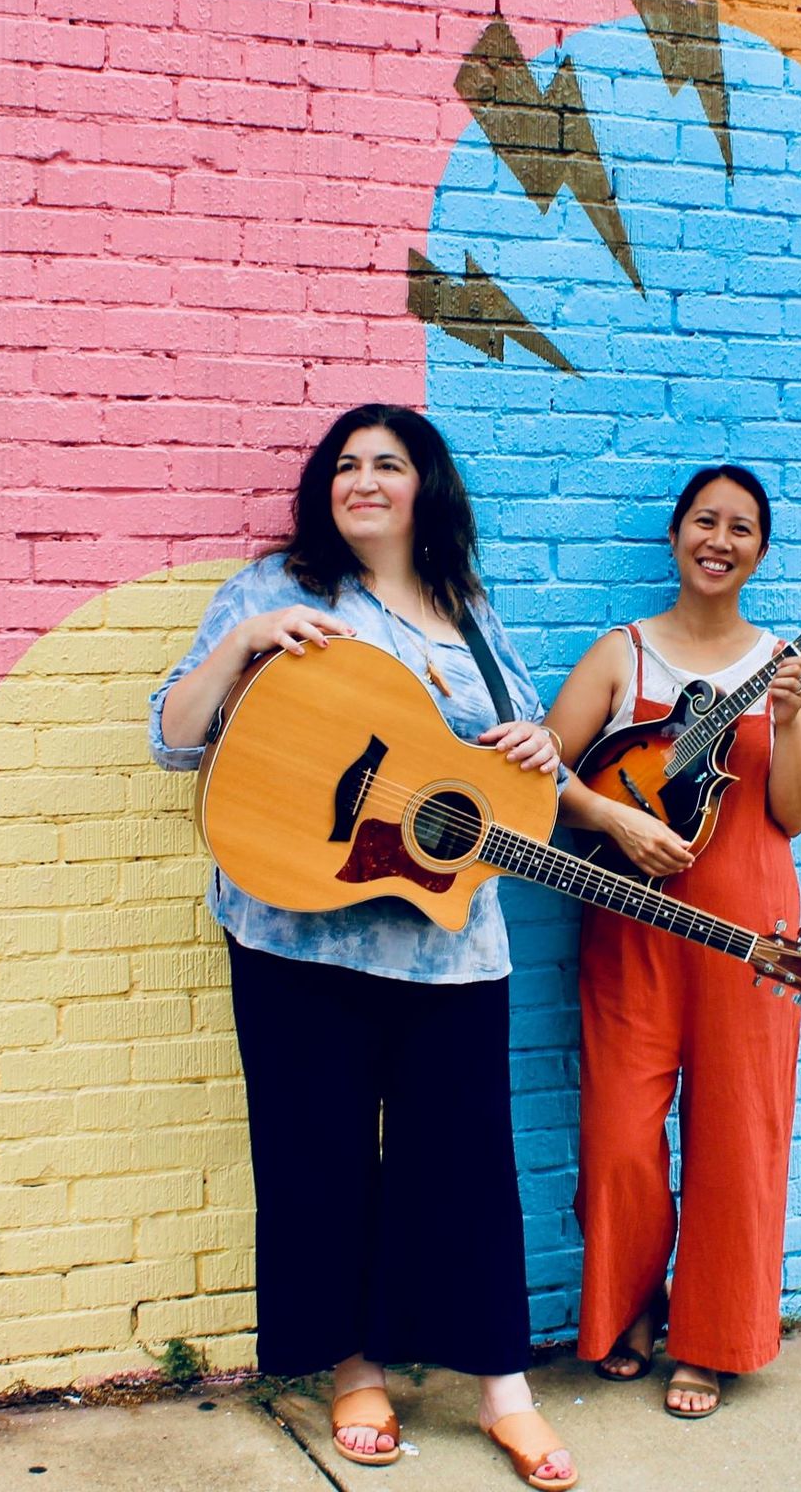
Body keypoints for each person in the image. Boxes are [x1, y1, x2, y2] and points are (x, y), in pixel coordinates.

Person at [149, 404, 577, 1489]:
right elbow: (173, 737)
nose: (364, 480)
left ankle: (503, 1389)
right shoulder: (273, 590)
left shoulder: (470, 610)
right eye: (345, 464)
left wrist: (537, 748)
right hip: (295, 938)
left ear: (426, 486)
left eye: (388, 463)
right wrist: (243, 645)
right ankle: (355, 1370)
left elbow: (513, 768)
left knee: (467, 1169)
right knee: (320, 1161)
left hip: (451, 947)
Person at [548, 464, 801, 1420]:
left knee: (739, 1137)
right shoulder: (621, 655)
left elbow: (794, 812)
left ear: (760, 551)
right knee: (620, 1137)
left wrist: (788, 723)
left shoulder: (788, 667)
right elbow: (544, 774)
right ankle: (630, 1311)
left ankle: (712, 1341)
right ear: (675, 537)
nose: (720, 540)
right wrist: (615, 820)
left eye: (741, 527)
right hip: (631, 926)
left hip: (750, 932)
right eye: (705, 521)